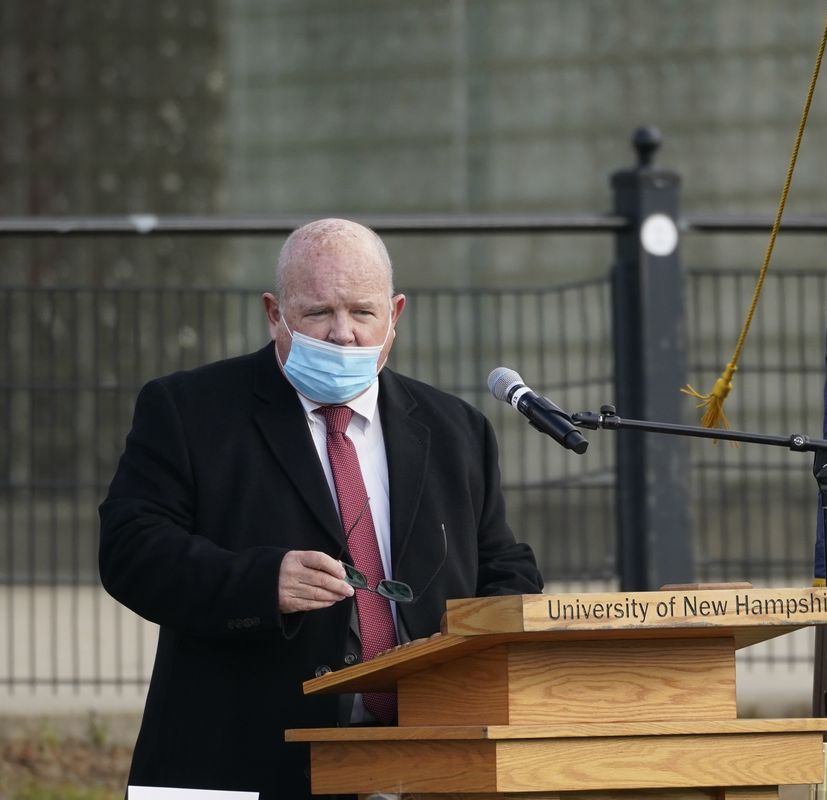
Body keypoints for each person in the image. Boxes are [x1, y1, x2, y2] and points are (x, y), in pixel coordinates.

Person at [99, 218, 543, 799]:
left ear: (395, 315)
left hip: (429, 757)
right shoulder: (189, 411)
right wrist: (261, 581)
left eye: (362, 312)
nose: (343, 334)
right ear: (274, 313)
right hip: (243, 756)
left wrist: (472, 640)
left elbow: (503, 566)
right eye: (318, 313)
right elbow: (130, 551)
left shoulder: (456, 429)